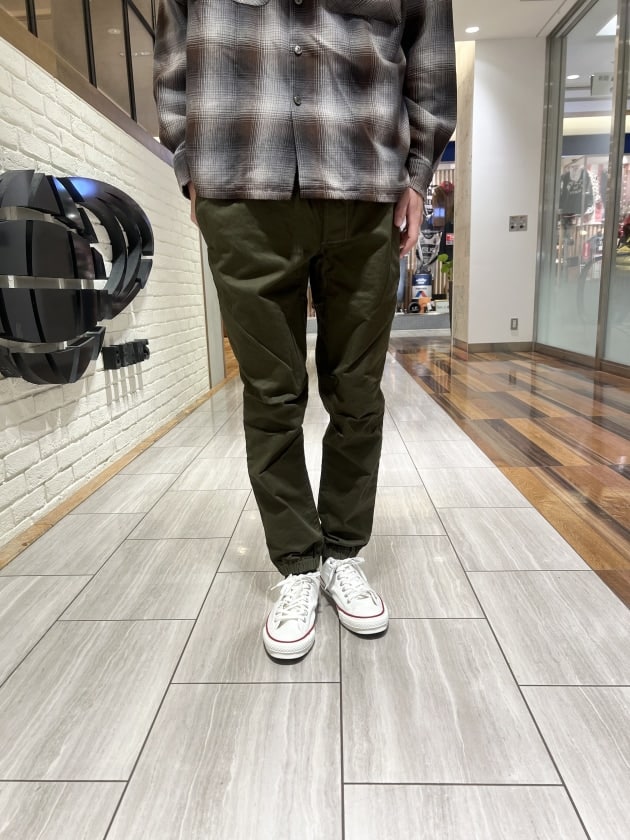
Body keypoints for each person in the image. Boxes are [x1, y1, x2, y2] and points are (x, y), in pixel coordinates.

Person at [154, 0, 457, 661]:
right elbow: (174, 55)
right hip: (241, 182)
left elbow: (429, 58)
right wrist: (189, 166)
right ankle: (297, 563)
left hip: (366, 185)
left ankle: (342, 554)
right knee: (271, 392)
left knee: (357, 390)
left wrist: (418, 175)